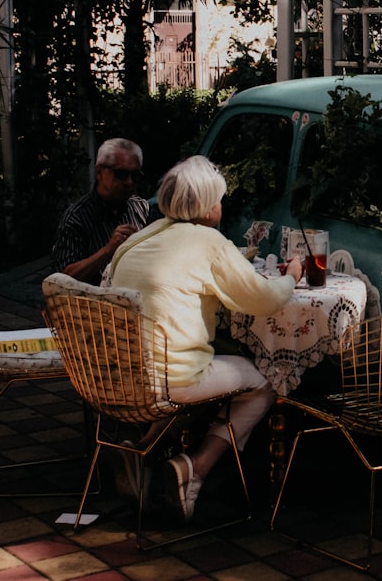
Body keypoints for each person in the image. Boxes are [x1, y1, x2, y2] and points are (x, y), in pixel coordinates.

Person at [106, 155, 303, 523]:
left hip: (123, 375)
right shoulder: (207, 242)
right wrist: (291, 275)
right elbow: (265, 299)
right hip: (173, 377)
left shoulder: (138, 239)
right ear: (205, 207)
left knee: (202, 372)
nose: (220, 206)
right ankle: (196, 467)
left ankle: (143, 453)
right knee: (265, 382)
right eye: (218, 200)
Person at [52, 138, 149, 284]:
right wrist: (108, 250)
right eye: (121, 174)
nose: (129, 182)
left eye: (135, 176)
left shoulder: (141, 208)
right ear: (99, 172)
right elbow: (63, 279)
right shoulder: (77, 217)